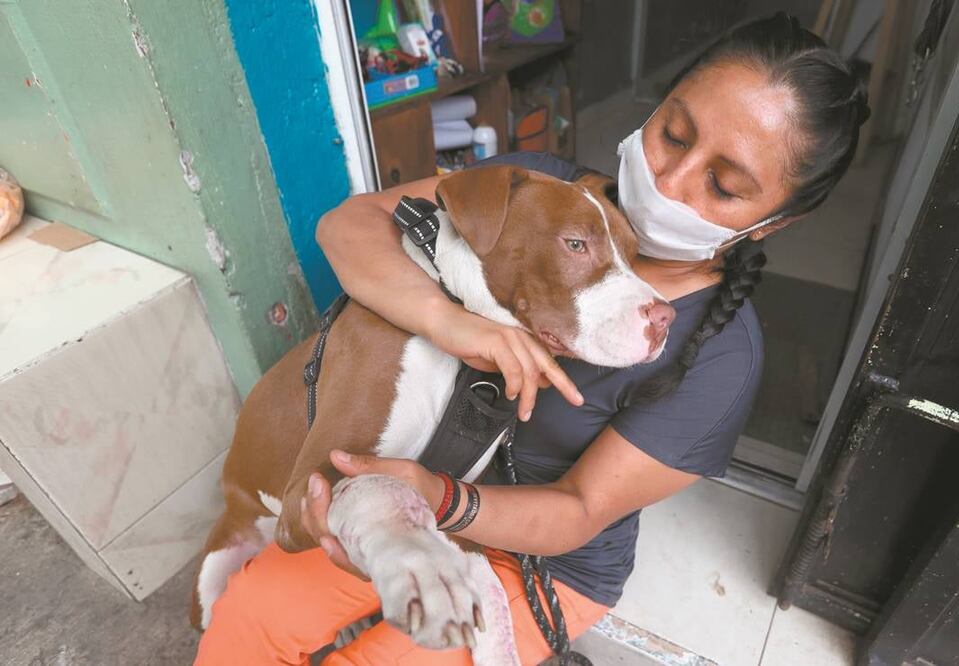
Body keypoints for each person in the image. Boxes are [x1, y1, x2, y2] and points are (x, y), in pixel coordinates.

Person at [195, 12, 870, 666]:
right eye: (673, 133)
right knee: (249, 616)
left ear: (770, 223)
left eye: (722, 185)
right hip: (410, 485)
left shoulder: (722, 358)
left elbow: (576, 511)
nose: (669, 181)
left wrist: (434, 500)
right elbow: (351, 225)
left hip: (542, 557)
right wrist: (449, 322)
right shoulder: (540, 188)